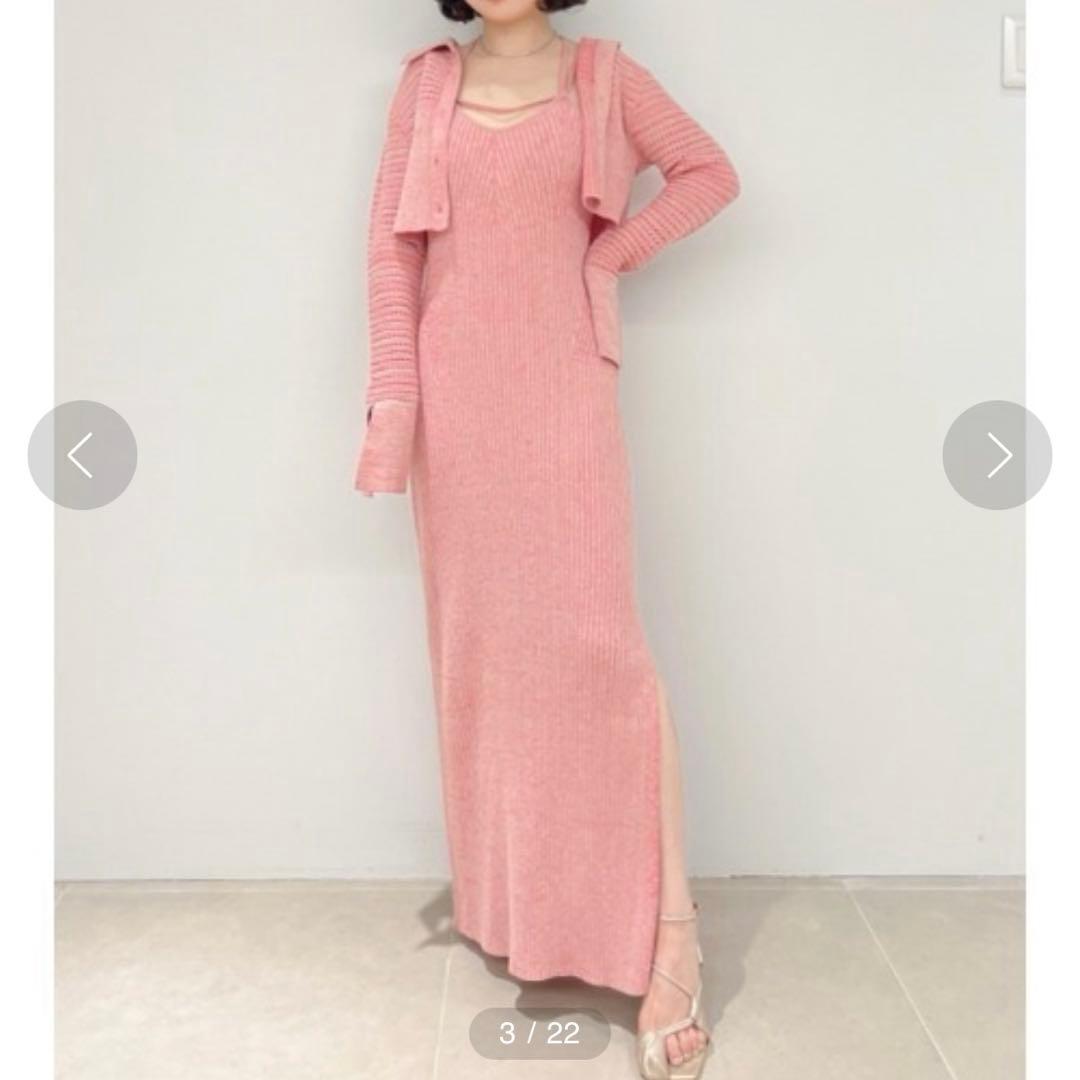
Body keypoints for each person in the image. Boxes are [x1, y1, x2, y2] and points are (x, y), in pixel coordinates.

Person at [355, 3, 739, 1076]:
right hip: (457, 407)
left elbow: (708, 173)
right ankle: (525, 911)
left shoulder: (606, 75)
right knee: (487, 663)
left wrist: (609, 257)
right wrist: (395, 406)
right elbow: (389, 257)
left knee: (602, 656)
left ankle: (671, 933)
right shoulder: (426, 83)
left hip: (566, 387)